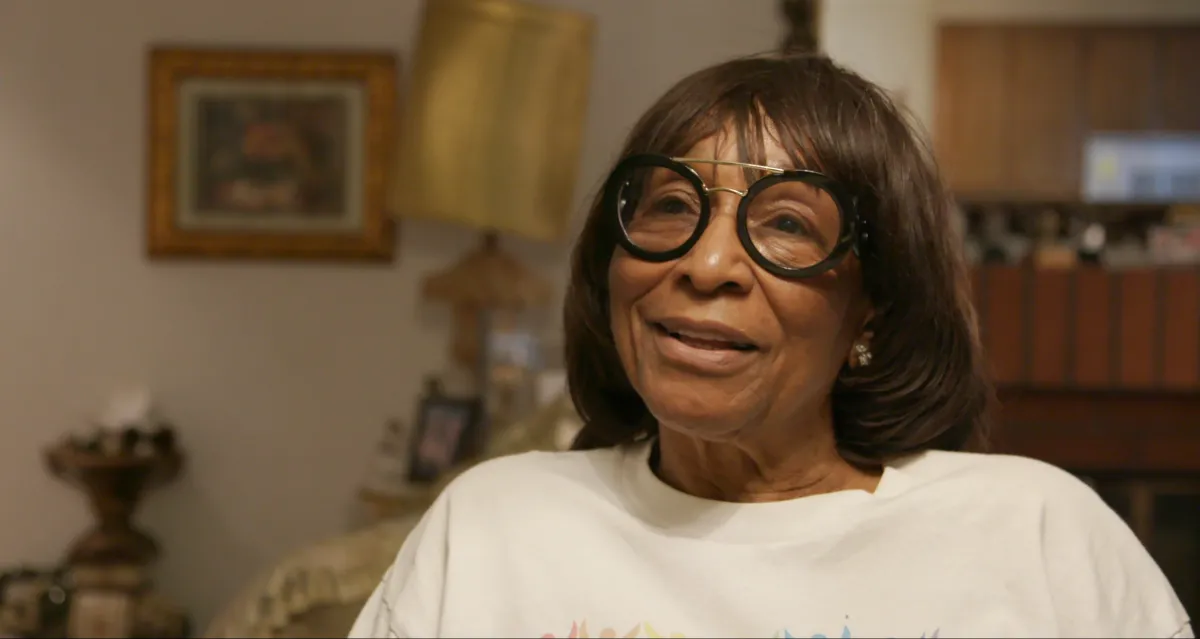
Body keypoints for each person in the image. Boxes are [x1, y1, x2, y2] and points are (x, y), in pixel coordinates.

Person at [349, 53, 1192, 639]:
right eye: (671, 207)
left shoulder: (1036, 532)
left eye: (788, 224)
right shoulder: (495, 520)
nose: (706, 263)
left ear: (873, 310)